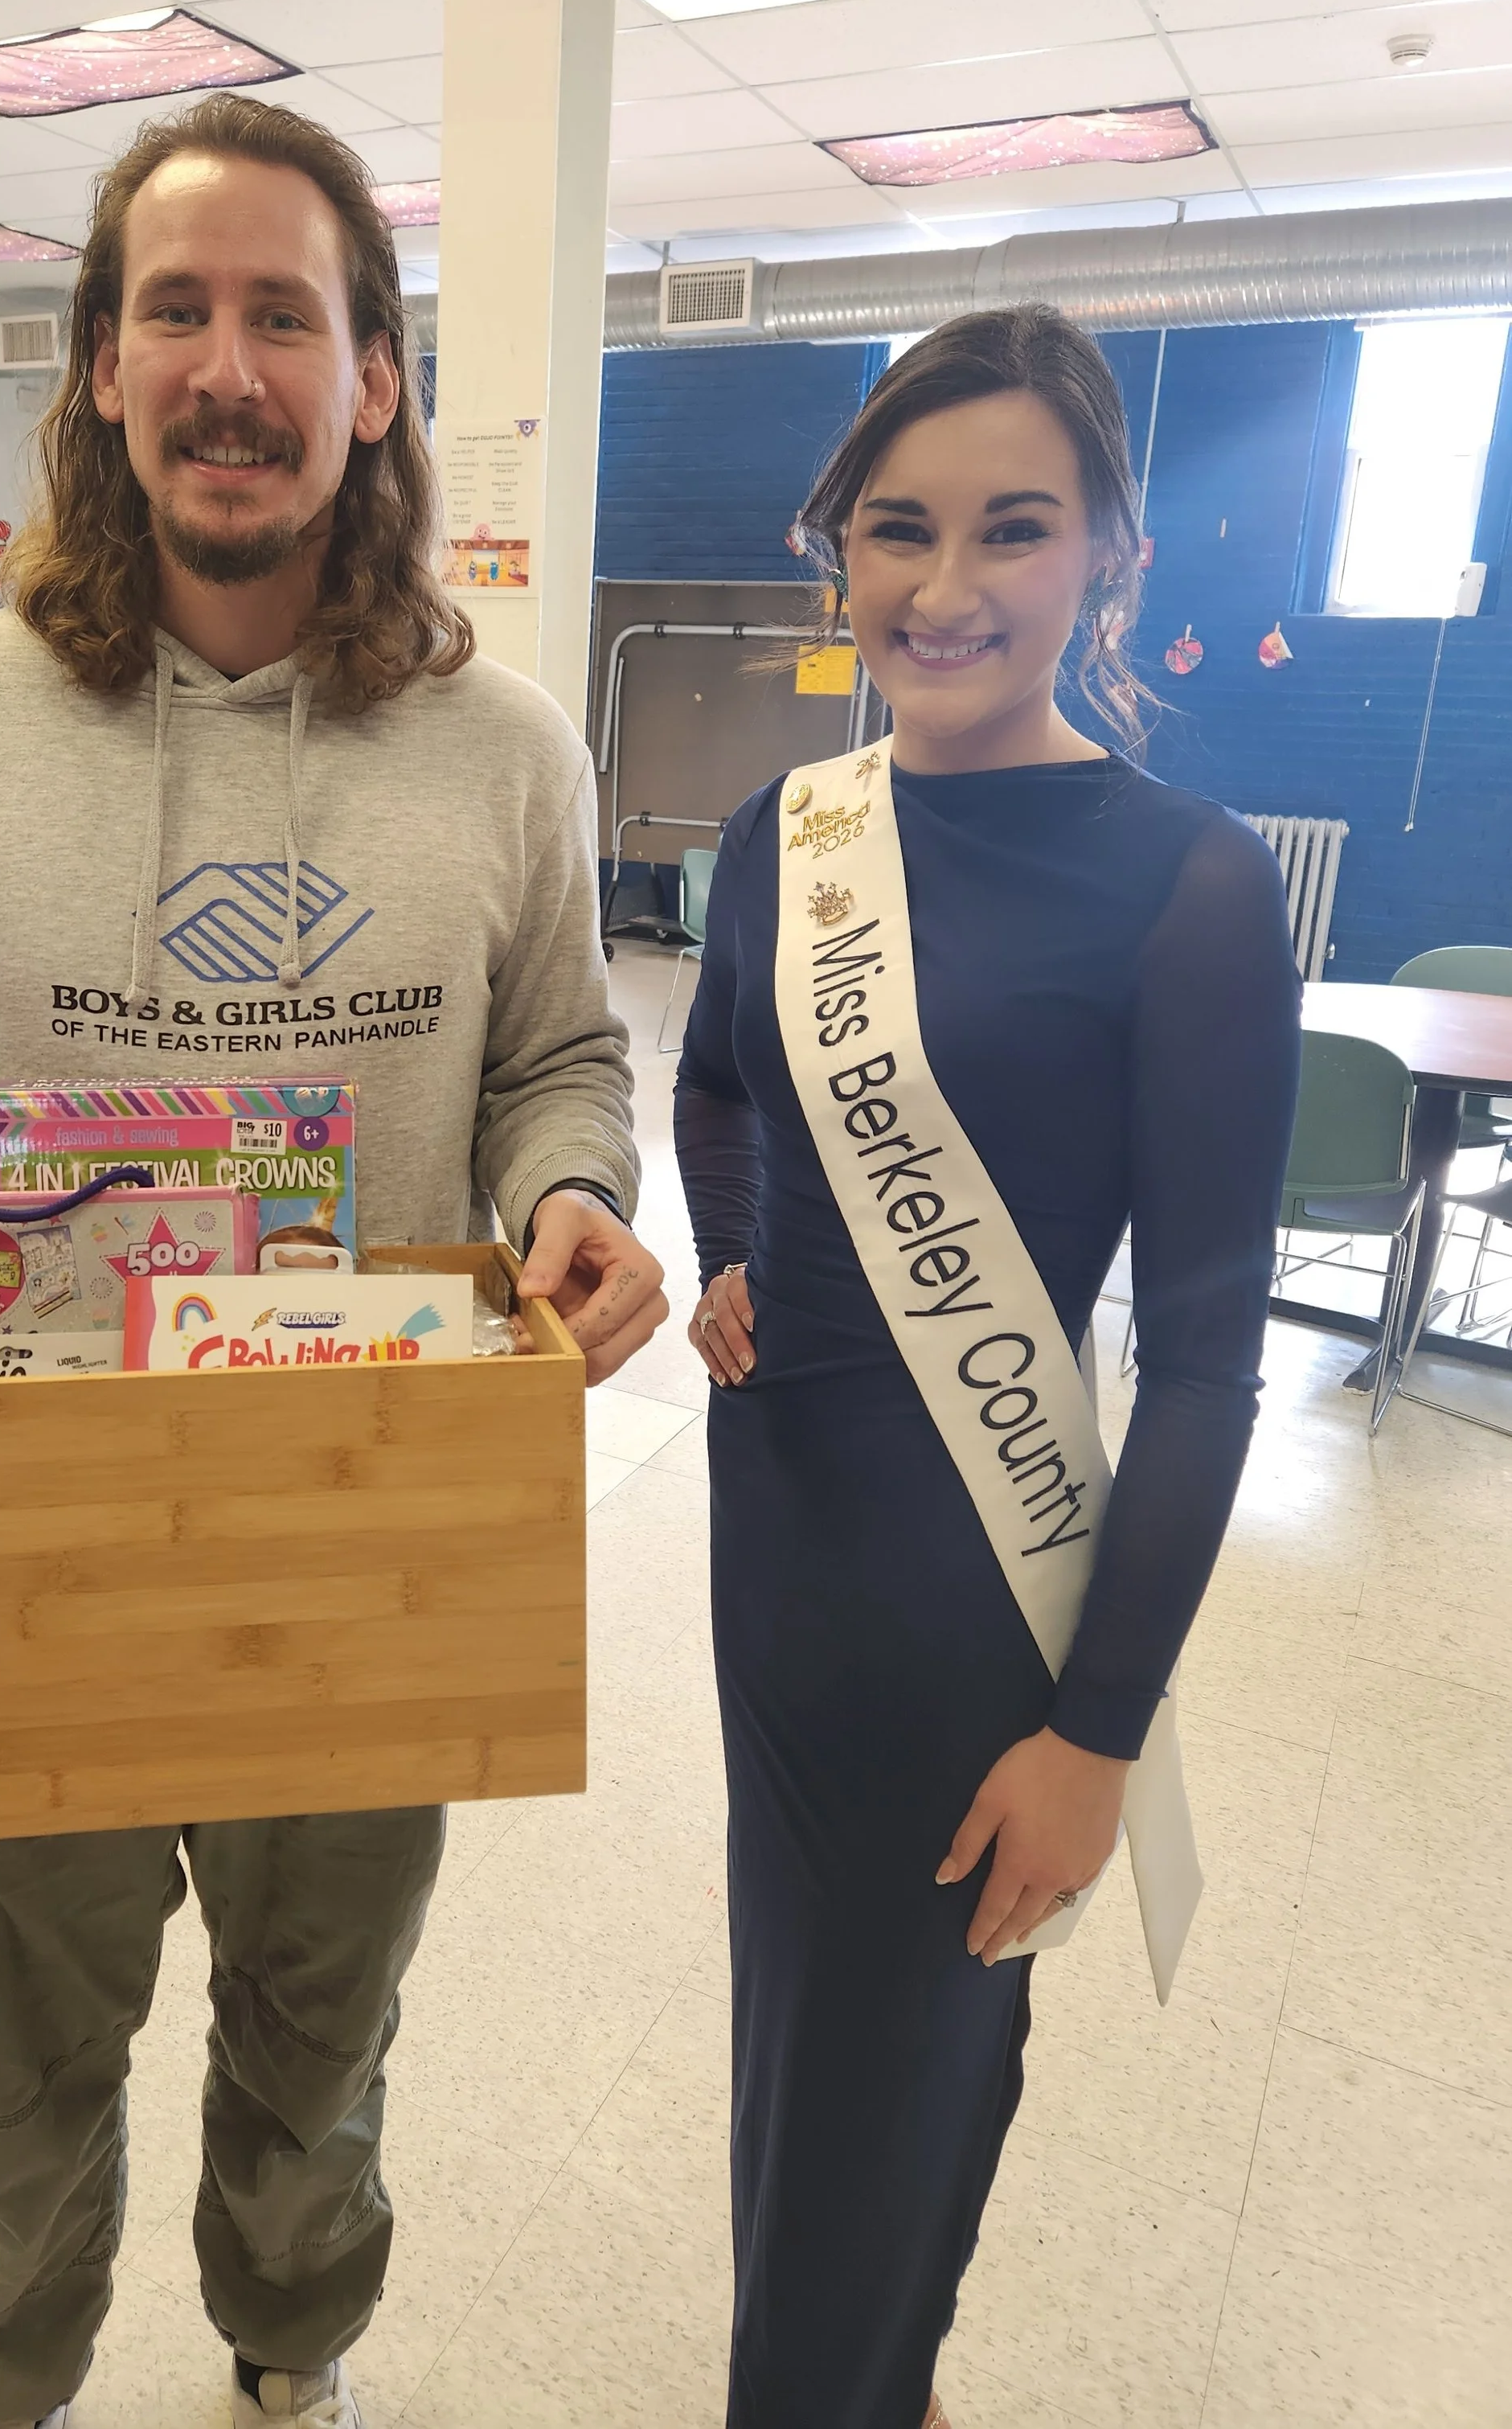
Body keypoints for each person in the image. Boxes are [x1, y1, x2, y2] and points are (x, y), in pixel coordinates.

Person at [0, 90, 666, 2429]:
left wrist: (573, 1196)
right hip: (4, 1509)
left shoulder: (506, 748)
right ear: (103, 369)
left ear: (375, 377)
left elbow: (559, 1055)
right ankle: (2, 2386)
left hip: (361, 1518)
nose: (230, 370)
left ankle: (289, 2353)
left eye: (285, 317)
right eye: (177, 312)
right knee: (19, 2056)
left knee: (318, 2039)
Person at [673, 306, 1301, 2429]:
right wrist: (733, 1250)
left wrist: (1096, 1734)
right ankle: (875, 2367)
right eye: (898, 529)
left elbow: (1206, 1365)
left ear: (1106, 551)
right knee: (815, 2026)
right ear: (836, 551)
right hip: (775, 1548)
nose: (945, 587)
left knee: (901, 2041)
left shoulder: (1189, 885)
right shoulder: (781, 836)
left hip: (979, 1606)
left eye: (1012, 529)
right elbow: (717, 1088)